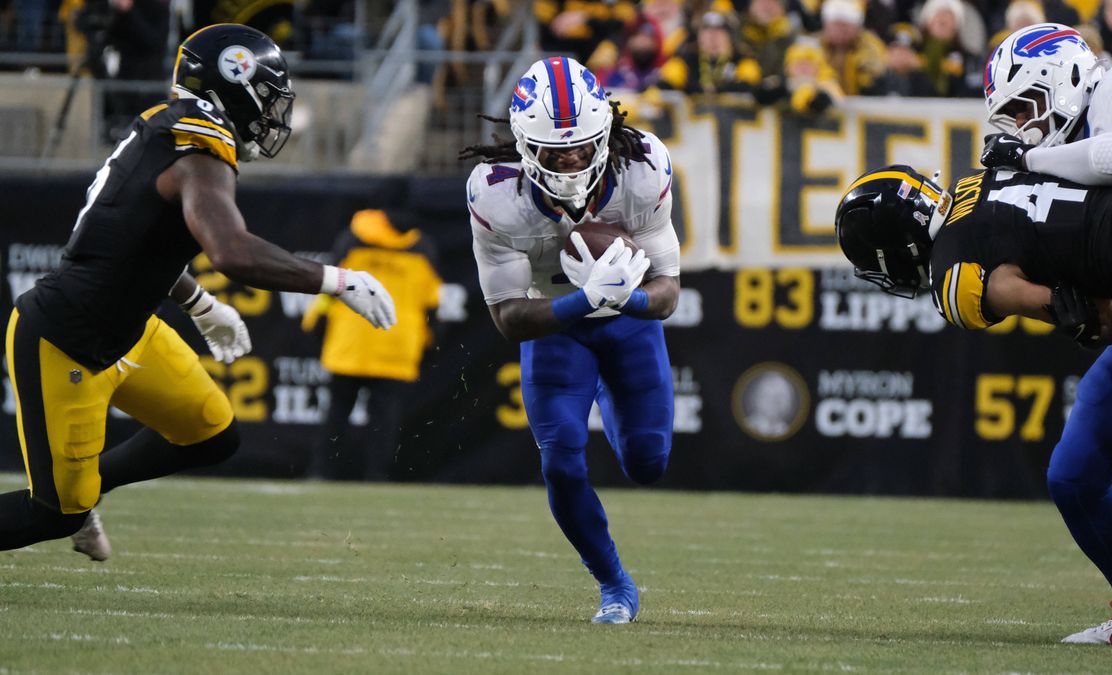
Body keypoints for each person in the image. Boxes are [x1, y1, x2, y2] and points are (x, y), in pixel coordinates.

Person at [0, 24, 396, 559]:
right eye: (270, 99)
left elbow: (137, 244)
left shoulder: (170, 127)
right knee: (54, 512)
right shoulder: (197, 143)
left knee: (211, 433)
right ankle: (79, 499)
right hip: (67, 340)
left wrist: (200, 303)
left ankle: (90, 487)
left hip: (129, 330)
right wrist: (337, 280)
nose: (274, 115)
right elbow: (232, 251)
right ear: (235, 84)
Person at [835, 163, 1112, 646]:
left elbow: (1083, 317)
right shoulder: (976, 181)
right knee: (1075, 475)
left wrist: (1069, 313)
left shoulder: (953, 278)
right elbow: (1091, 263)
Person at [977, 22, 1112, 643]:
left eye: (1024, 106)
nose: (1018, 126)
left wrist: (1029, 161)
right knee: (1074, 473)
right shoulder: (1058, 170)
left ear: (1065, 79)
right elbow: (1105, 316)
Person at [459, 55, 680, 624]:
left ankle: (606, 392)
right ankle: (614, 586)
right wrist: (585, 300)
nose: (572, 160)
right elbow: (509, 317)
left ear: (605, 132)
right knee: (560, 463)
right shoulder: (493, 193)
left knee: (648, 462)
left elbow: (668, 291)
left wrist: (622, 299)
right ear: (525, 145)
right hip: (556, 324)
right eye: (557, 151)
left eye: (582, 146)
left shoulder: (644, 166)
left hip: (628, 323)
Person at [301, 209, 442, 481]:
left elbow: (330, 285)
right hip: (397, 343)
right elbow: (433, 303)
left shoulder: (353, 239)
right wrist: (430, 339)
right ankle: (377, 477)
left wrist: (315, 325)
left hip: (350, 340)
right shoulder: (423, 247)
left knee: (337, 413)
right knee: (384, 420)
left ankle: (321, 472)